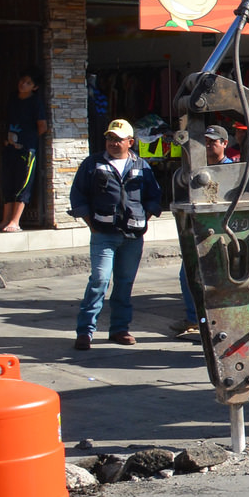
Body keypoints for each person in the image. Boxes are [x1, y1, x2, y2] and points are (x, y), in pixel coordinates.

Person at [69, 119, 163, 350]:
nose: (112, 143)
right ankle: (85, 331)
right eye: (109, 138)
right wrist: (91, 224)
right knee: (99, 280)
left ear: (130, 142)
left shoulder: (142, 166)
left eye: (118, 139)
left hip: (132, 237)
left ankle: (119, 329)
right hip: (103, 234)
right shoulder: (93, 164)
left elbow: (154, 197)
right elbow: (78, 196)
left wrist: (145, 219)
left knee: (124, 283)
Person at [169, 125, 239, 338]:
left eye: (213, 142)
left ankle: (219, 320)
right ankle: (195, 318)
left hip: (222, 234)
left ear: (224, 144)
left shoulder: (232, 171)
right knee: (188, 276)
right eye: (205, 142)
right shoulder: (196, 171)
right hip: (198, 232)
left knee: (220, 280)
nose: (208, 146)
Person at [0, 72, 48, 233]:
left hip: (26, 149)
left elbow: (42, 127)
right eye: (22, 80)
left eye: (28, 82)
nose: (23, 84)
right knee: (7, 182)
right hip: (10, 147)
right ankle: (5, 220)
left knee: (22, 183)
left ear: (35, 87)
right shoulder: (13, 99)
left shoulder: (35, 103)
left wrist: (27, 140)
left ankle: (15, 221)